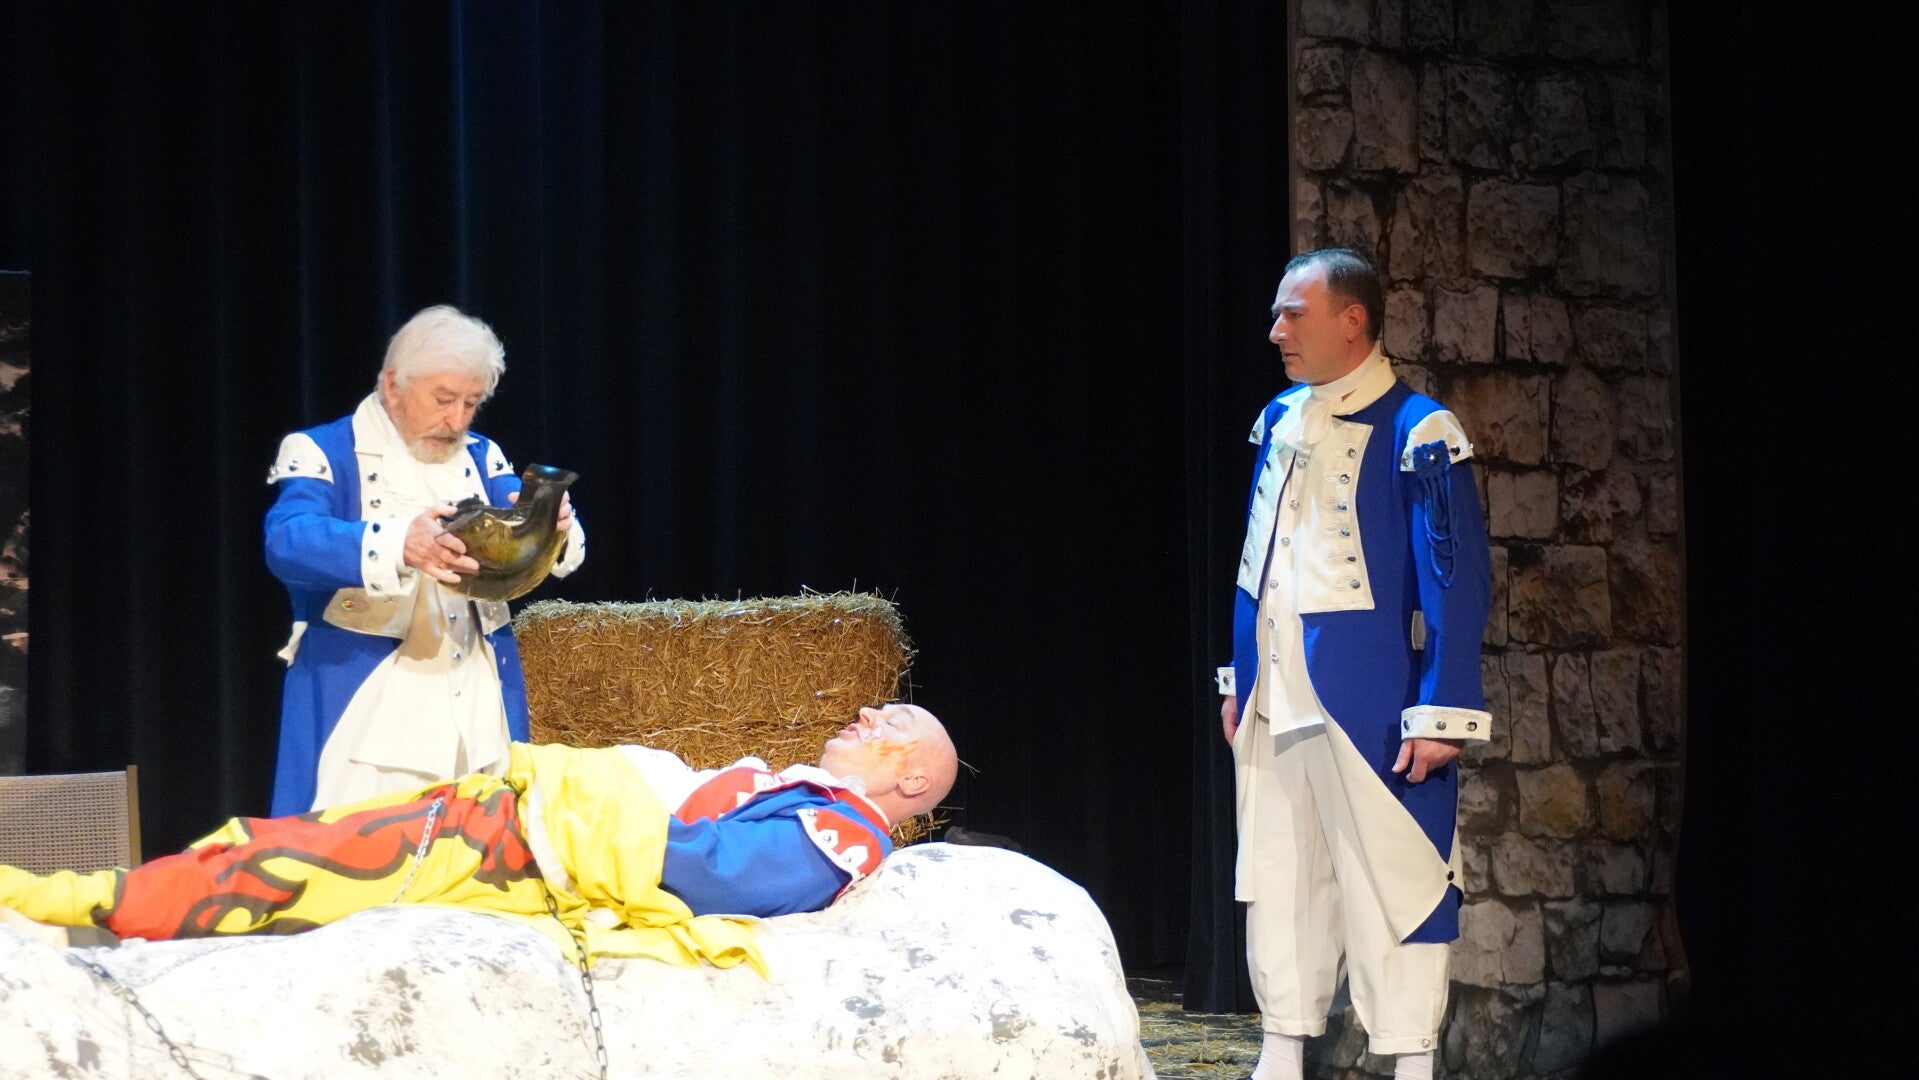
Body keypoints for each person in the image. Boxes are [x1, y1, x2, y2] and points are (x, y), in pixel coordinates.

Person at [1, 703, 958, 975]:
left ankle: (75, 904)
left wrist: (586, 806)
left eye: (893, 722)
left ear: (911, 780)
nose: (867, 713)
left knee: (302, 862)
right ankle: (98, 903)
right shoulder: (817, 799)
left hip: (530, 848)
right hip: (522, 828)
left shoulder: (843, 833)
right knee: (302, 847)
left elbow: (714, 876)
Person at [1215, 248, 1492, 1080]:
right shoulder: (1278, 419)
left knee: (1395, 878)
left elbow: (1453, 581)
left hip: (1369, 697)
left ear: (1352, 320)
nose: (1276, 331)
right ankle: (1280, 1051)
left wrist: (1441, 709)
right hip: (1274, 693)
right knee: (1280, 873)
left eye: (1292, 314)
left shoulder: (1419, 430)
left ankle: (1410, 1063)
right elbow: (1256, 558)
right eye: (1276, 314)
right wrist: (1238, 676)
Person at [262, 304, 584, 817]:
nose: (457, 420)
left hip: (478, 708)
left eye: (470, 403)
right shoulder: (324, 450)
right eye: (443, 399)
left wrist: (553, 523)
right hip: (370, 719)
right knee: (356, 850)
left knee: (478, 848)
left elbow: (522, 521)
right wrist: (398, 544)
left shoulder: (481, 456)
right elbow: (289, 540)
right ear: (393, 385)